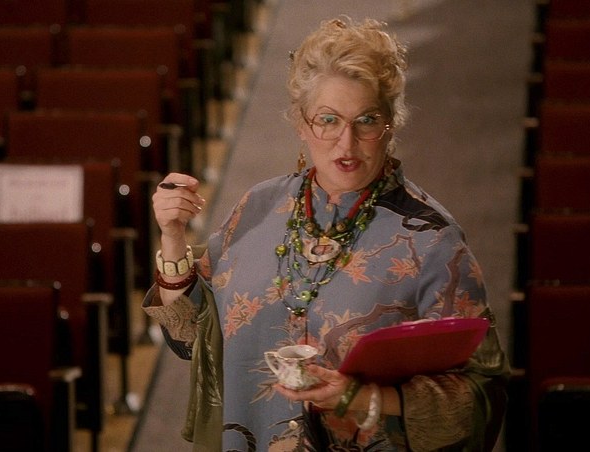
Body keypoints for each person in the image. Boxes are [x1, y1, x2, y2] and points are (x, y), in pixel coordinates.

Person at [144, 16, 509, 452]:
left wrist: (365, 398)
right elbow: (191, 339)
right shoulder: (257, 208)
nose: (346, 143)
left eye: (366, 120)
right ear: (302, 124)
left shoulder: (431, 241)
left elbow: (480, 399)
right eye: (328, 120)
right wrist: (172, 238)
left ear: (391, 124)